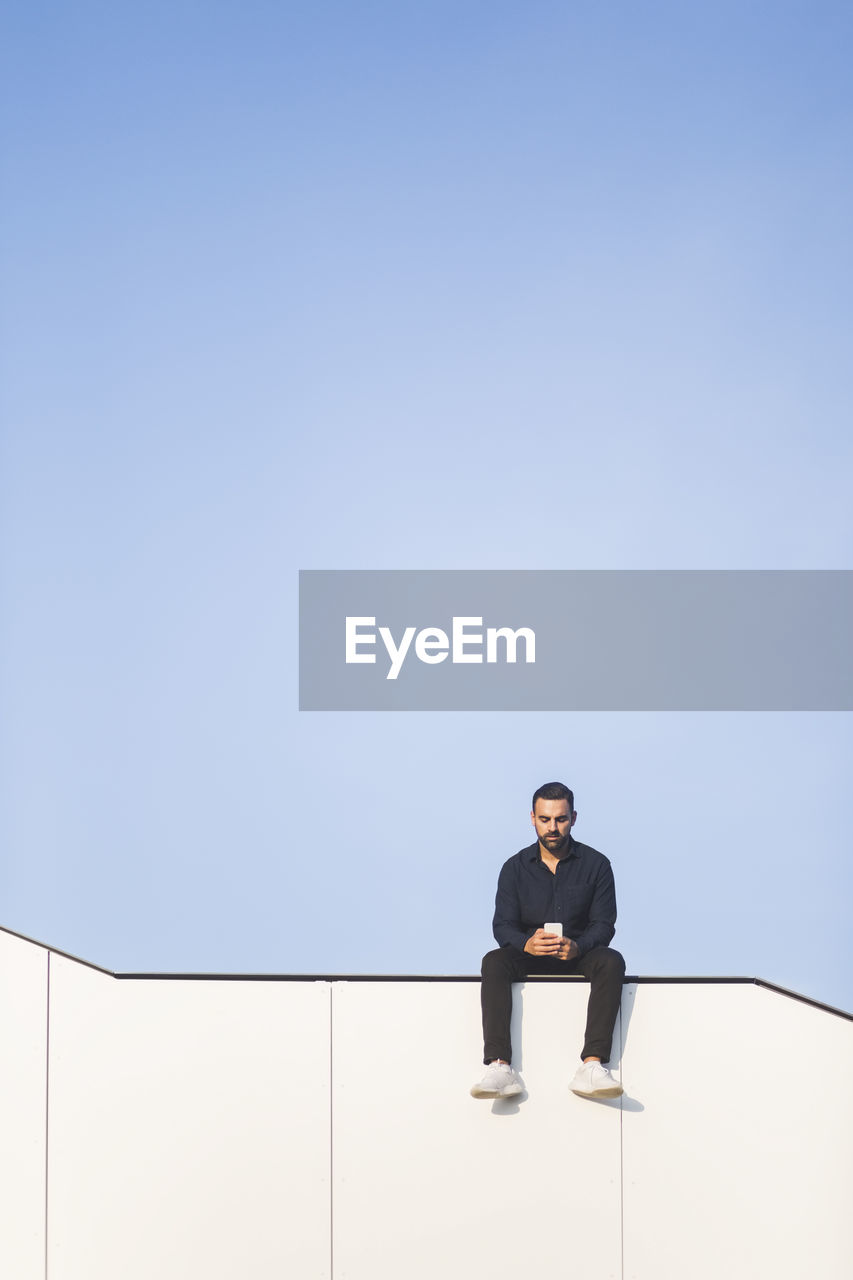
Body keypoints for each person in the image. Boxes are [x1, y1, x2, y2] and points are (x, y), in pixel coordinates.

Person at [471, 781, 626, 1100]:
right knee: (494, 961)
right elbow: (502, 926)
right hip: (529, 955)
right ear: (532, 817)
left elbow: (604, 925)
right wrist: (527, 943)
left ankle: (592, 1065)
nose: (552, 827)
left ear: (574, 817)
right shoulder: (513, 868)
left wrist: (577, 946)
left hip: (580, 954)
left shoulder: (597, 865)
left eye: (560, 819)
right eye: (545, 819)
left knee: (611, 960)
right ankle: (500, 1067)